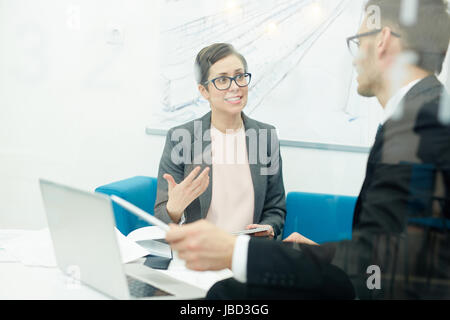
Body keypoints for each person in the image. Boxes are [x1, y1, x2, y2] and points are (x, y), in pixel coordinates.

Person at [165, 0, 450, 299]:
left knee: (227, 295)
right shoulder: (420, 116)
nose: (354, 60)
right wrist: (320, 256)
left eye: (358, 41)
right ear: (204, 90)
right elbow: (390, 255)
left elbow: (383, 265)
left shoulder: (422, 126)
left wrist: (237, 251)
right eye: (222, 80)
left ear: (383, 41)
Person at [154, 43, 286, 240]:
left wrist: (268, 228)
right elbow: (162, 217)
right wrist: (174, 208)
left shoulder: (265, 136)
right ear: (204, 91)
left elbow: (275, 208)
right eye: (223, 80)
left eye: (240, 76)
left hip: (246, 253)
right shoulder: (181, 138)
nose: (235, 86)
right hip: (198, 253)